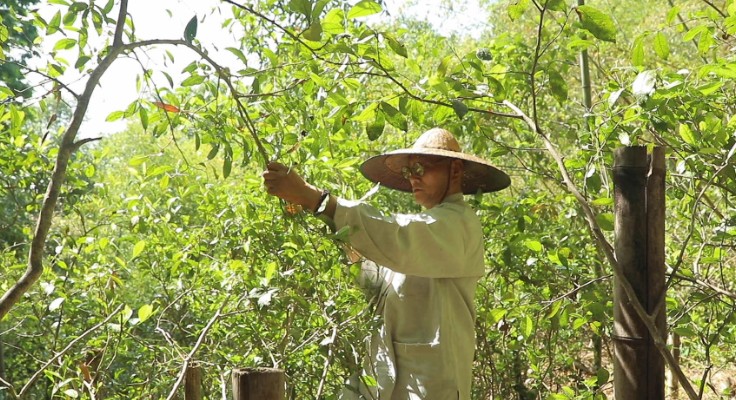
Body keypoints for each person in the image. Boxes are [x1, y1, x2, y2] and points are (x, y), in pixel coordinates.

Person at [262, 127, 510, 399]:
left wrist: (316, 199)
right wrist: (338, 233)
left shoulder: (458, 224)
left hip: (432, 383)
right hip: (389, 380)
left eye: (420, 168)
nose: (413, 178)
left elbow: (397, 237)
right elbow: (377, 279)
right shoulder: (428, 229)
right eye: (408, 172)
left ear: (455, 170)